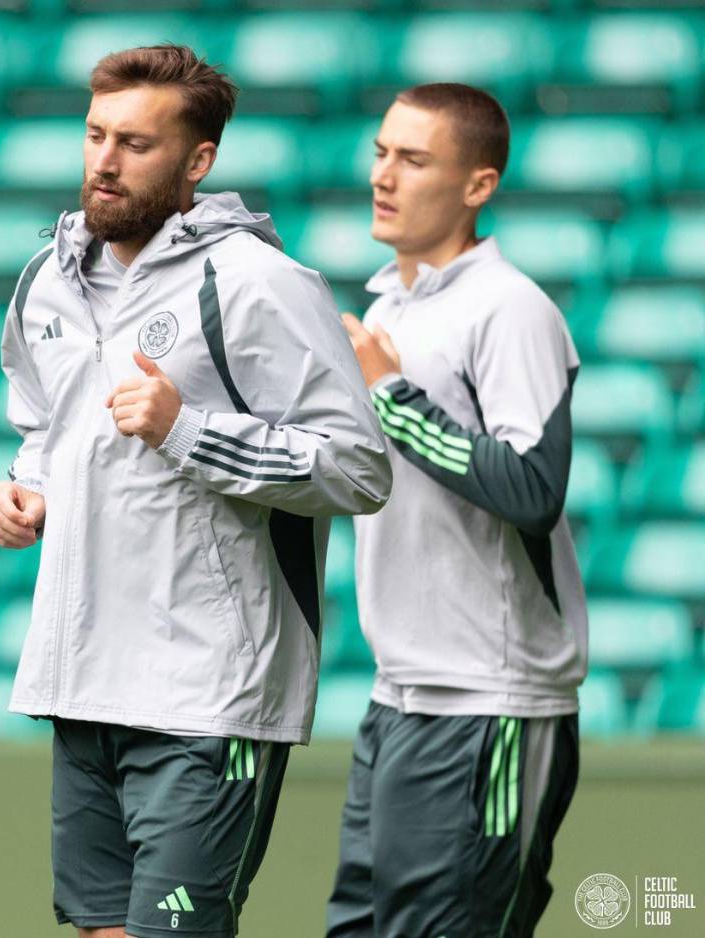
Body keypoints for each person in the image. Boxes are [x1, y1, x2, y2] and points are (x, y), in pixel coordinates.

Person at [0, 45, 392, 938]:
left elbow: (358, 468)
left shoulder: (259, 285)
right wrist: (25, 490)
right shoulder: (47, 277)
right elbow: (44, 431)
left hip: (211, 691)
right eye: (95, 134)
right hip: (81, 679)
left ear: (198, 160)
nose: (104, 160)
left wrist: (185, 428)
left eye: (135, 142)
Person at [326, 83, 586, 938]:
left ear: (478, 185)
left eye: (413, 159)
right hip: (398, 695)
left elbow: (532, 492)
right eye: (380, 153)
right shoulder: (390, 308)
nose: (384, 176)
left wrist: (390, 396)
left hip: (490, 704)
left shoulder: (510, 309)